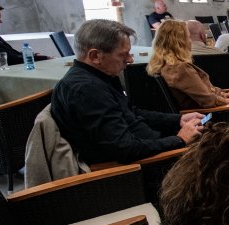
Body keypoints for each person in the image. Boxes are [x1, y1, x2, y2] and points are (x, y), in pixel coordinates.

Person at [51, 19, 203, 165]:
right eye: (123, 54)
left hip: (150, 150)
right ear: (95, 56)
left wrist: (177, 120)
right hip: (137, 170)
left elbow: (132, 113)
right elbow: (125, 150)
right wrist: (179, 140)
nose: (130, 60)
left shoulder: (101, 78)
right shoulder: (87, 90)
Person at [147, 21, 229, 112]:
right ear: (179, 42)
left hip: (210, 107)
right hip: (214, 113)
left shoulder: (165, 65)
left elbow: (202, 92)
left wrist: (222, 94)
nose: (190, 42)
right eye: (188, 37)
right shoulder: (180, 69)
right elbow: (208, 100)